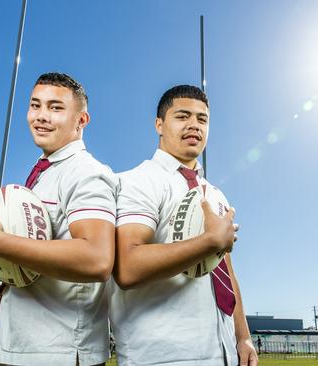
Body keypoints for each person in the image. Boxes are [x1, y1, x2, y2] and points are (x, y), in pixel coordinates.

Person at [0, 72, 117, 366]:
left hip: (59, 353)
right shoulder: (42, 175)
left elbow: (97, 258)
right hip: (19, 349)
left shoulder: (86, 172)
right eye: (35, 105)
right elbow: (24, 280)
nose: (41, 116)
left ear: (81, 120)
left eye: (56, 108)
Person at [111, 85, 258, 365]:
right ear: (159, 124)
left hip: (223, 353)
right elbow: (127, 268)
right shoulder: (135, 181)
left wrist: (242, 337)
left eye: (202, 119)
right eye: (183, 116)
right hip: (161, 356)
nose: (194, 125)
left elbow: (225, 269)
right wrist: (208, 242)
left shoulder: (213, 193)